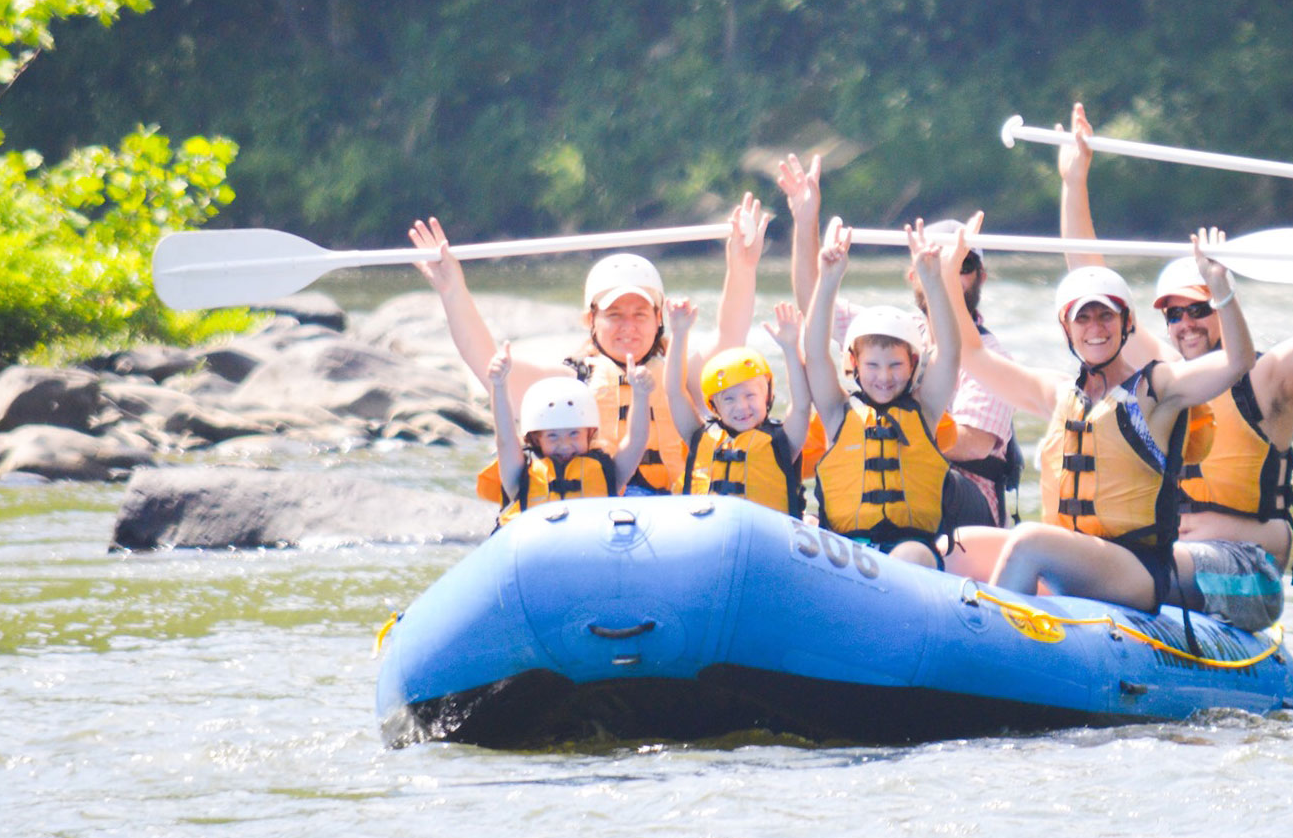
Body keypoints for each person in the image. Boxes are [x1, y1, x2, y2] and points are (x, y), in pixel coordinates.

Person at [1057, 101, 1293, 623]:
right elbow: (1088, 274)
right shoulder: (1165, 377)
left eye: (1199, 308)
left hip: (1245, 575)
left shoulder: (1269, 379)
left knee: (1125, 567)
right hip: (1173, 559)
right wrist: (1074, 182)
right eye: (1174, 314)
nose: (1186, 324)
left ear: (1222, 302)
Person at [940, 222, 1255, 618]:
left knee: (1028, 540)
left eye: (1106, 315)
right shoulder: (1058, 394)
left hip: (1135, 567)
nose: (1095, 328)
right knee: (953, 546)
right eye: (1083, 318)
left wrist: (1220, 287)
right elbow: (972, 353)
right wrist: (947, 278)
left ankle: (989, 641)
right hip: (1068, 559)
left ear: (1127, 323)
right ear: (1067, 329)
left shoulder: (1157, 388)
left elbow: (1238, 361)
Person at [408, 196, 771, 495]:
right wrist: (452, 289)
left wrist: (742, 266)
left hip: (680, 509)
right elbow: (484, 361)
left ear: (658, 319)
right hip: (597, 511)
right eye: (614, 314)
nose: (628, 327)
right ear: (591, 320)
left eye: (640, 314)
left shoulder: (682, 376)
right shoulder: (568, 382)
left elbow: (729, 337)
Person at [776, 154, 1022, 524]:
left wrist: (897, 432)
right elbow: (814, 310)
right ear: (913, 275)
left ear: (980, 277)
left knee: (922, 472)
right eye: (937, 265)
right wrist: (806, 221)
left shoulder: (990, 360)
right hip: (878, 492)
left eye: (962, 266)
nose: (884, 375)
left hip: (960, 502)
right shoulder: (891, 334)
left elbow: (972, 441)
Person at [803, 218, 992, 568]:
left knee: (912, 555)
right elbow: (814, 354)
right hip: (844, 550)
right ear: (854, 364)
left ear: (914, 363)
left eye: (895, 365)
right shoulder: (836, 412)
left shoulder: (926, 409)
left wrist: (933, 280)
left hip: (909, 549)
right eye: (873, 366)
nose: (884, 377)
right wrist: (828, 279)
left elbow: (950, 351)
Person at [661, 298, 811, 517]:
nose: (741, 406)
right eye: (729, 399)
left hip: (765, 535)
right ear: (714, 406)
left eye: (750, 395)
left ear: (768, 396)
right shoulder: (699, 436)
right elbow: (674, 392)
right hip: (707, 533)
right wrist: (679, 334)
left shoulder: (783, 442)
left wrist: (791, 349)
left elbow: (801, 405)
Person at [476, 341, 653, 525]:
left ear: (589, 433)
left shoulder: (609, 473)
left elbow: (637, 440)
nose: (565, 445)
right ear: (536, 439)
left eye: (574, 434)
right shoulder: (519, 477)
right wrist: (499, 385)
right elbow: (505, 439)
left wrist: (640, 394)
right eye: (552, 436)